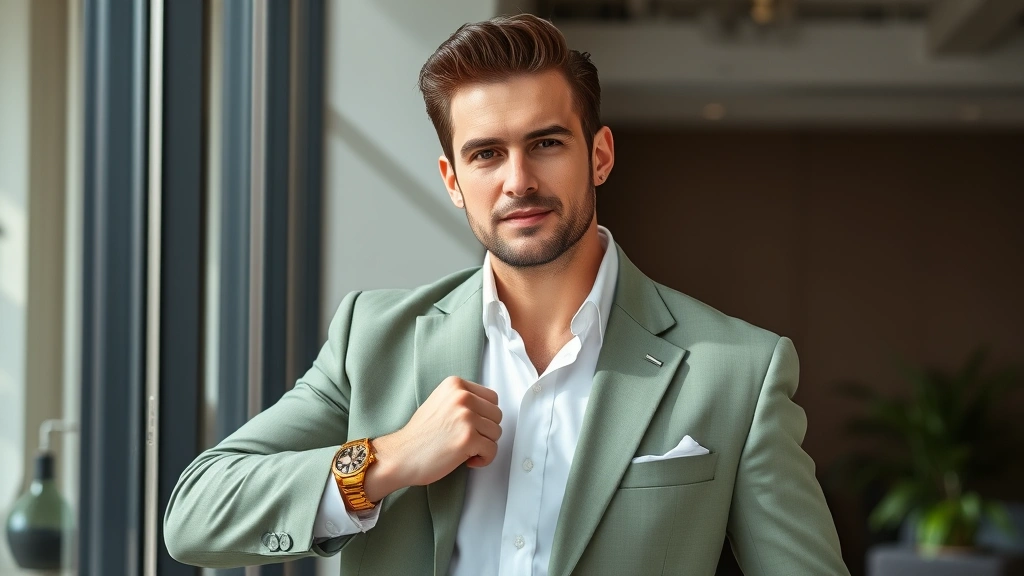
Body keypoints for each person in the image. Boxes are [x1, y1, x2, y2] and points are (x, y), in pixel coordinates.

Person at [164, 14, 850, 576]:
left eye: (546, 143)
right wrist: (388, 459)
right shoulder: (371, 339)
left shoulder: (737, 369)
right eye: (486, 154)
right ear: (452, 179)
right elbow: (195, 516)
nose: (518, 180)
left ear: (599, 154)